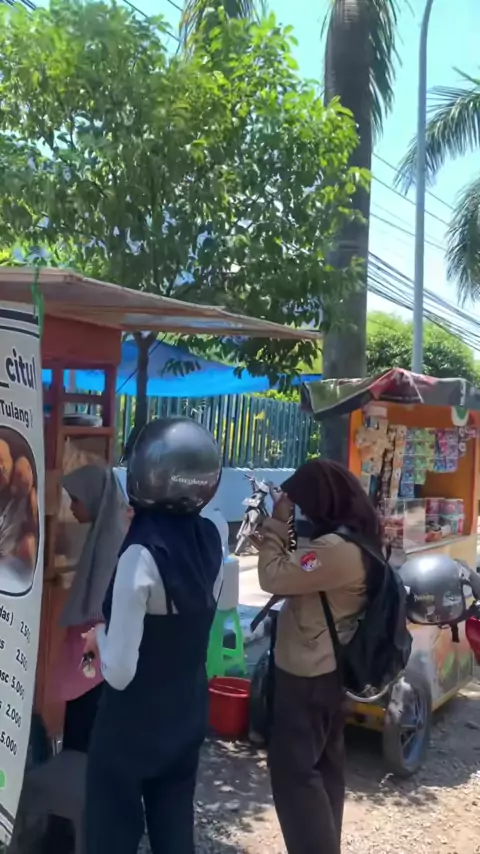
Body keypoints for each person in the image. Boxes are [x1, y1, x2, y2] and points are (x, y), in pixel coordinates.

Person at [82, 417, 224, 854]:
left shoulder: (141, 554)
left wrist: (98, 637)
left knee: (111, 837)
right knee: (174, 834)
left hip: (131, 729)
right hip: (186, 715)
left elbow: (120, 671)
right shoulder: (212, 536)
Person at [257, 458, 383, 854]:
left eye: (302, 501)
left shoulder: (336, 550)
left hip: (308, 674)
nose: (300, 509)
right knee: (325, 767)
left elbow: (272, 577)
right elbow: (300, 572)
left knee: (294, 773)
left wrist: (278, 522)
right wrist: (283, 538)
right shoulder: (355, 538)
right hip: (330, 670)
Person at [43, 464, 128, 854]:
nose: (73, 507)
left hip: (95, 667)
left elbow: (104, 614)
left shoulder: (112, 548)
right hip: (92, 664)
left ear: (94, 500)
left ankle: (76, 831)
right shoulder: (104, 537)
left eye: (75, 500)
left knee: (84, 746)